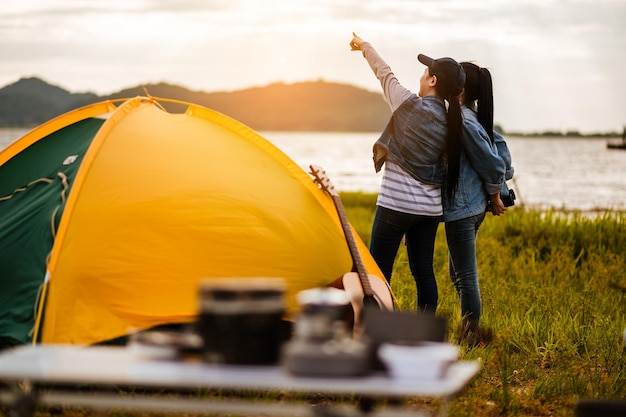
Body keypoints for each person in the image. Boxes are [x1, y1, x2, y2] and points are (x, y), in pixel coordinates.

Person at [349, 33, 465, 313]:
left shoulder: (407, 103)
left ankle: (373, 330)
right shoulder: (454, 125)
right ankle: (424, 330)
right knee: (424, 273)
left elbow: (384, 73)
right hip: (428, 211)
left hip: (395, 205)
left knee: (377, 273)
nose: (422, 76)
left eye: (426, 72)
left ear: (433, 81)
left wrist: (365, 46)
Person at [443, 61, 513, 346]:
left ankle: (471, 336)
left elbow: (494, 163)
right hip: (470, 206)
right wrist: (499, 182)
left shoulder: (464, 120)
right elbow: (503, 152)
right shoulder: (472, 116)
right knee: (455, 273)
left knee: (466, 276)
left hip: (463, 208)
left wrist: (496, 194)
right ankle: (469, 328)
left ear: (459, 88)